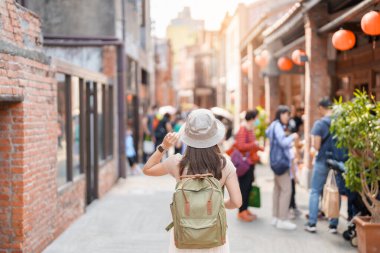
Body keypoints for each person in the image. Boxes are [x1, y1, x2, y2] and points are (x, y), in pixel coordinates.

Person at [143, 109, 242, 253]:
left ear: (187, 135)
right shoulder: (224, 164)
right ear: (214, 136)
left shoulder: (177, 162)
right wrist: (218, 203)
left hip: (184, 236)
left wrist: (163, 147)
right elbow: (237, 202)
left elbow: (147, 169)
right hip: (214, 237)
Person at [305, 97, 339, 234]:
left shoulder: (319, 124)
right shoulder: (340, 123)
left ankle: (312, 223)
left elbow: (316, 146)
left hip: (322, 161)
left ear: (321, 108)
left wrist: (313, 146)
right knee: (335, 190)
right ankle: (333, 225)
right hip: (337, 162)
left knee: (315, 191)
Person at [266, 105, 298, 230]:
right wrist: (292, 136)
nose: (288, 117)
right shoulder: (278, 126)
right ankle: (282, 219)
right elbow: (283, 142)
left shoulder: (273, 125)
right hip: (281, 163)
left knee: (277, 190)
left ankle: (275, 217)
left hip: (275, 162)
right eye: (286, 114)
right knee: (286, 190)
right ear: (280, 114)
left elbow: (268, 134)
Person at [234, 110, 264, 222]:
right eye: (256, 118)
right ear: (252, 118)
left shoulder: (250, 129)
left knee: (248, 186)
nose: (257, 121)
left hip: (250, 162)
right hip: (244, 164)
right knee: (244, 187)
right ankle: (241, 211)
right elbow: (241, 146)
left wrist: (259, 148)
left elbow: (250, 145)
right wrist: (254, 144)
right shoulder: (243, 129)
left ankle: (245, 209)